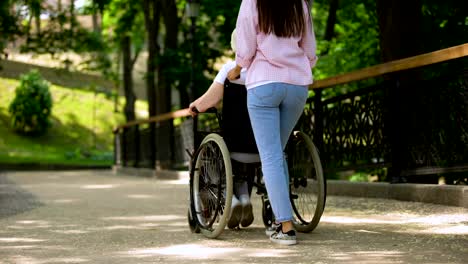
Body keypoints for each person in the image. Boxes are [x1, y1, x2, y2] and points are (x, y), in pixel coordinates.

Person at [227, 0, 317, 245]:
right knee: (277, 153)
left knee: (271, 157)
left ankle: (286, 228)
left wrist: (237, 68)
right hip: (297, 86)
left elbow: (245, 48)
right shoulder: (300, 3)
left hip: (264, 84)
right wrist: (298, 67)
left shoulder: (252, 2)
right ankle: (280, 221)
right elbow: (309, 49)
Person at [188, 29, 255, 230]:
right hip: (262, 142)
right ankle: (244, 195)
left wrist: (194, 106)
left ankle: (231, 198)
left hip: (234, 141)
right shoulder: (265, 71)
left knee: (212, 146)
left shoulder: (230, 69)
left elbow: (210, 100)